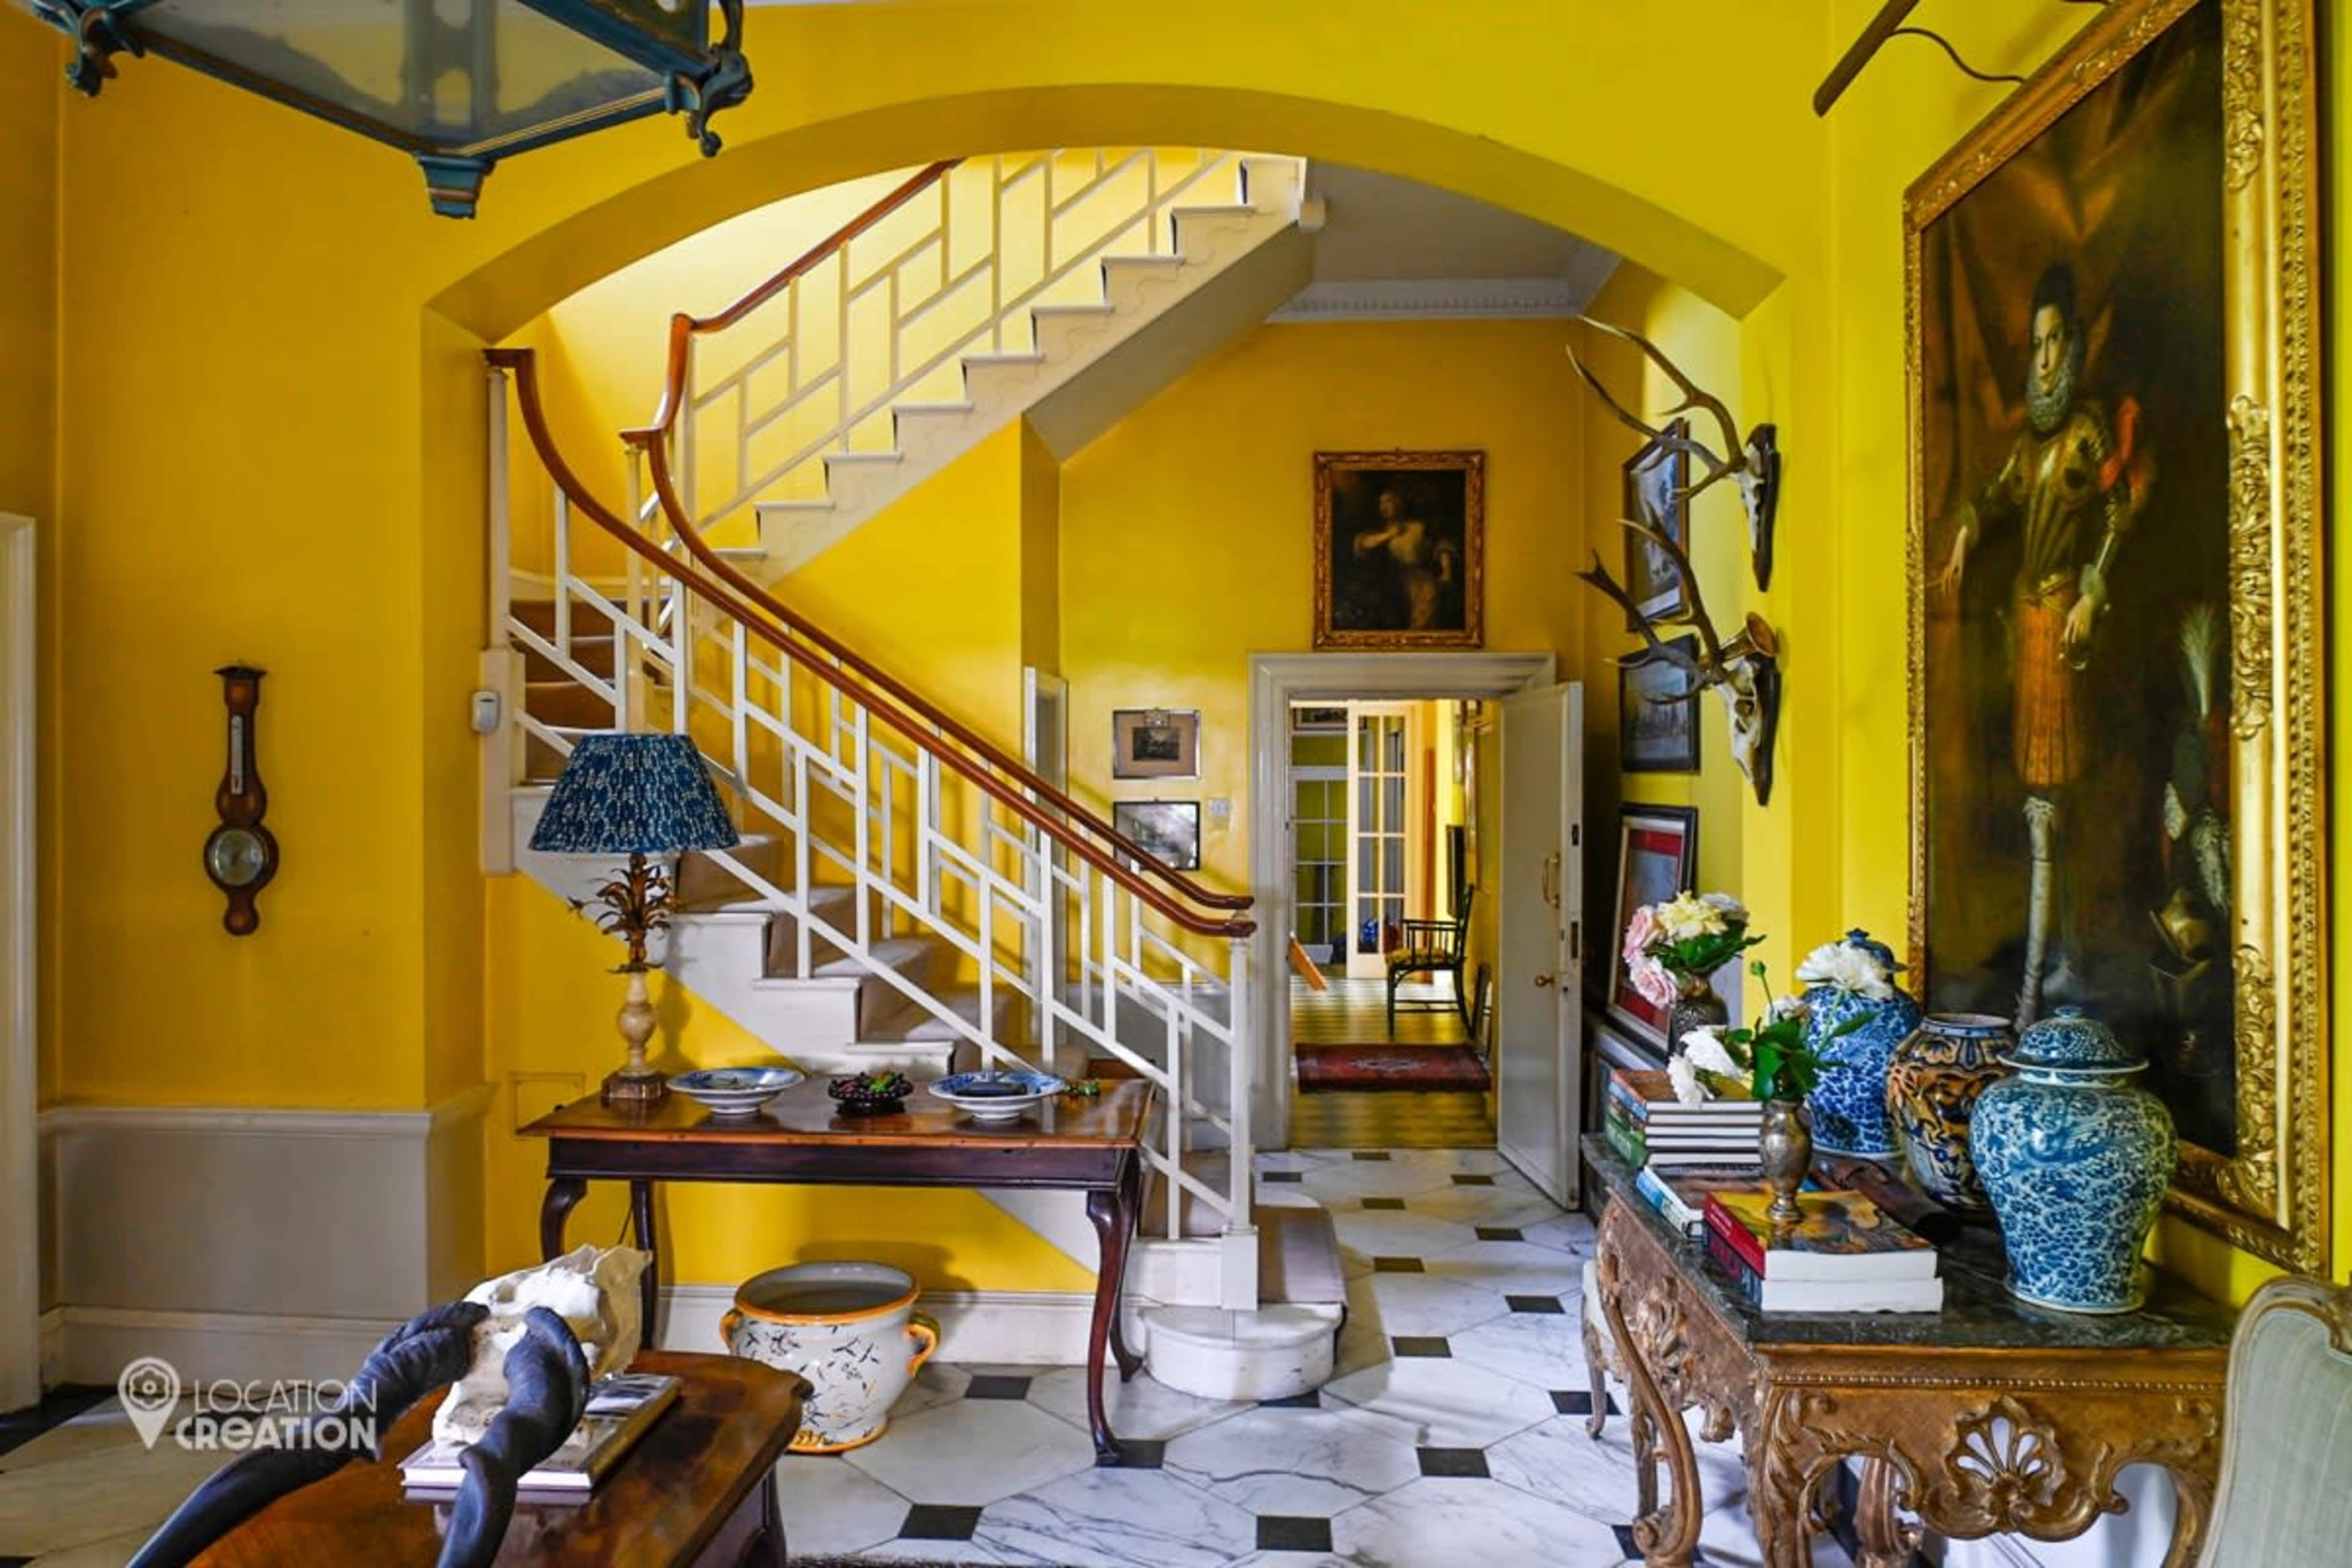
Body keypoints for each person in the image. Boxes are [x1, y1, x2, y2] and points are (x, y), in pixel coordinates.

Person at [1934, 262, 2152, 1023]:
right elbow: (1994, 496)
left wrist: (2093, 591)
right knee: (2038, 794)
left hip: (2063, 618)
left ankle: (2048, 974)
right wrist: (1964, 531)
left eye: (2057, 340)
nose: (2047, 357)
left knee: (2056, 796)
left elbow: (2121, 509)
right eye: (2037, 344)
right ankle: (2049, 963)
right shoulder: (2030, 446)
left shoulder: (2089, 431)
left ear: (2074, 345)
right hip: (2026, 626)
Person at [1352, 480, 1460, 631]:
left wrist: (1447, 571)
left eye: (1389, 501)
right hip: (1394, 587)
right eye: (1381, 502)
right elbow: (1364, 544)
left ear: (1400, 503)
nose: (1384, 506)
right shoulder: (1381, 531)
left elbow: (1443, 545)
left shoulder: (1419, 527)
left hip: (1422, 583)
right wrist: (1391, 534)